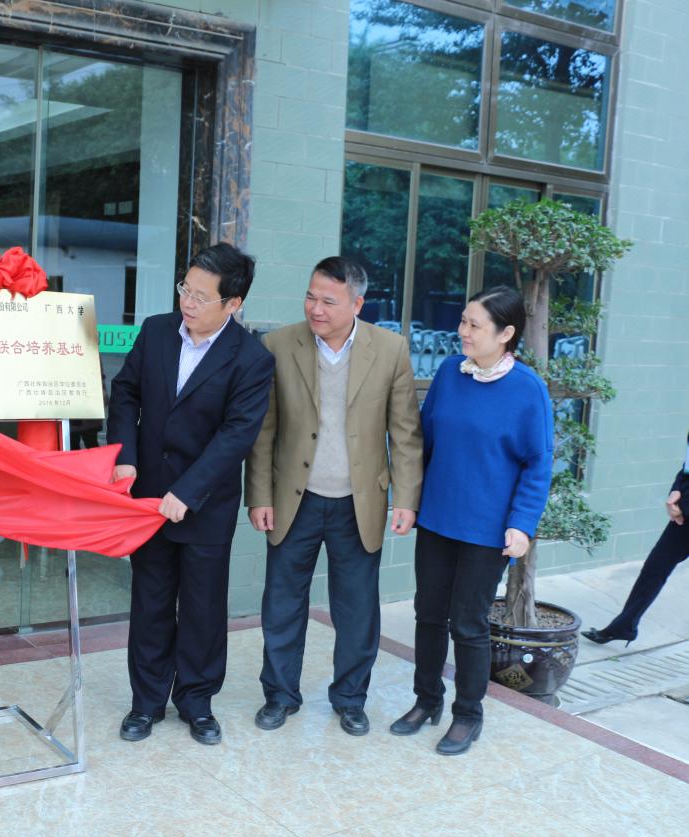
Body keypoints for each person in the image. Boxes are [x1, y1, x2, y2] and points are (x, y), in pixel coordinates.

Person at [244, 256, 423, 737]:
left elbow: (405, 433)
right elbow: (263, 430)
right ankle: (280, 696)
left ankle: (350, 699)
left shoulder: (390, 349)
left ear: (357, 304)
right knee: (282, 604)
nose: (315, 309)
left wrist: (406, 499)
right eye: (310, 296)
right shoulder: (279, 345)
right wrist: (259, 495)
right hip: (293, 498)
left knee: (357, 610)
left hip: (358, 502)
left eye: (328, 301)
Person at [107, 242, 274, 746]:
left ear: (233, 303)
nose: (188, 301)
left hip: (204, 504)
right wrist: (125, 454)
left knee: (202, 607)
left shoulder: (251, 359)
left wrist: (187, 490)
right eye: (186, 289)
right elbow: (126, 392)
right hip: (147, 495)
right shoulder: (157, 331)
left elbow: (236, 435)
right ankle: (146, 702)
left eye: (202, 296)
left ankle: (197, 702)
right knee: (151, 601)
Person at [391, 286, 552, 756]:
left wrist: (522, 524)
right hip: (438, 519)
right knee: (428, 613)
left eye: (474, 325)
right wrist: (409, 502)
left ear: (505, 333)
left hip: (487, 531)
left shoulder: (528, 390)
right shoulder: (449, 372)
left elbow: (538, 463)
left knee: (467, 622)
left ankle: (468, 714)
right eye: (463, 321)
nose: (462, 331)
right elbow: (425, 442)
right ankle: (426, 700)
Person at [583, 430, 689, 646]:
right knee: (655, 568)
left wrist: (684, 505)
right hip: (683, 517)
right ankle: (624, 627)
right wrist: (675, 493)